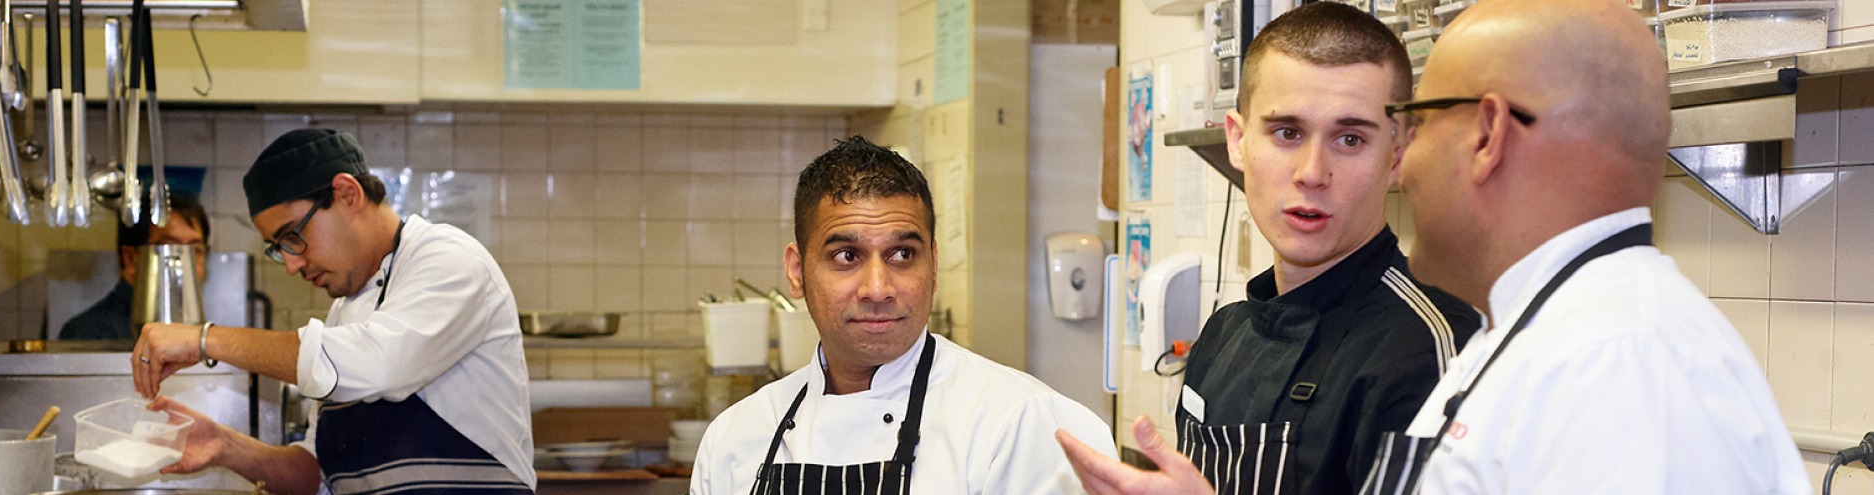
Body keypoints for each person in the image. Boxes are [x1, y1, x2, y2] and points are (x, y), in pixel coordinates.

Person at [1056, 0, 1810, 493]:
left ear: (1484, 136)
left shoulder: (1618, 359)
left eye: (1414, 122)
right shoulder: (1542, 339)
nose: (1404, 160)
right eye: (1287, 132)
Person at [691, 136, 1116, 494]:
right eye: (846, 255)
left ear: (932, 266)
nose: (878, 289)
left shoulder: (1021, 424)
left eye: (902, 254)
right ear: (797, 271)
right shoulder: (735, 439)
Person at [1167, 4, 1478, 494]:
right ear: (1237, 140)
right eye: (1287, 132)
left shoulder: (1431, 354)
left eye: (1350, 138)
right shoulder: (1222, 337)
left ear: (1399, 153)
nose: (1312, 172)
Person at [129, 129, 535, 494]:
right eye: (278, 247)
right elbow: (317, 476)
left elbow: (378, 365)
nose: (291, 264)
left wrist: (205, 339)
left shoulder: (449, 261)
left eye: (293, 236)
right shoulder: (343, 315)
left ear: (347, 194)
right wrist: (226, 446)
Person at [60, 190, 211, 342]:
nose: (186, 265)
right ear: (131, 259)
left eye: (196, 251)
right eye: (169, 249)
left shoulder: (198, 332)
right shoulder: (90, 334)